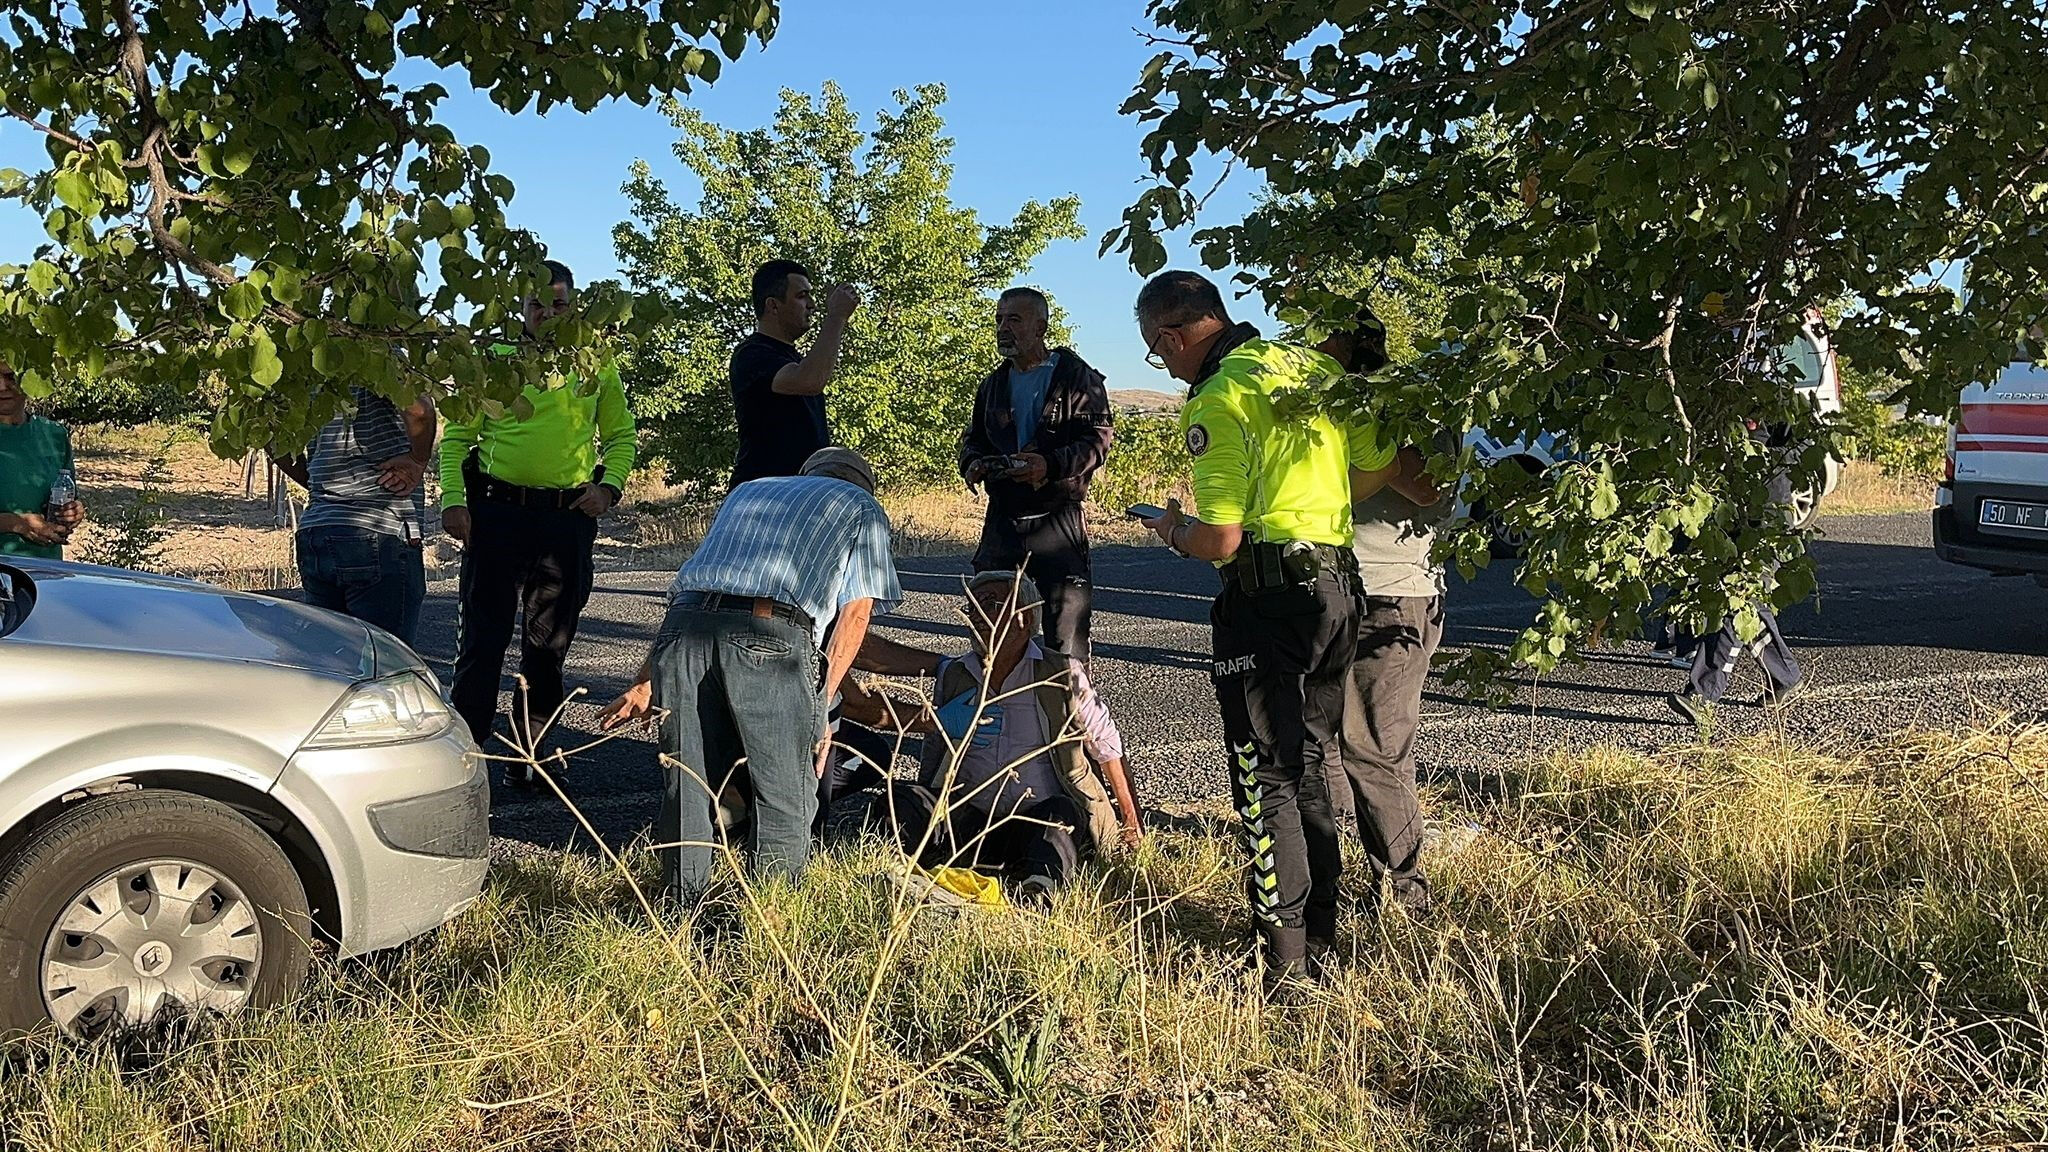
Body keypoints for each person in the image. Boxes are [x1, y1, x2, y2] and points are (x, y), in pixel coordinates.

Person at [1133, 270, 1401, 990]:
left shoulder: (1221, 398)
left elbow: (1220, 539)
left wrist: (1173, 530)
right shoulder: (1311, 366)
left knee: (1265, 779)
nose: (1167, 366)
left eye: (1159, 354)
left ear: (1172, 333)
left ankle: (1281, 964)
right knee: (1311, 763)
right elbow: (1371, 474)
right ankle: (1322, 934)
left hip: (1268, 600)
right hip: (1340, 591)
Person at [599, 448, 902, 902]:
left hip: (683, 631)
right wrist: (821, 705)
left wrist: (646, 680)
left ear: (805, 472)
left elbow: (693, 590)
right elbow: (855, 617)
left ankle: (681, 915)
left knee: (687, 783)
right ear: (863, 483)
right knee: (783, 793)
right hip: (769, 632)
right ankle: (772, 924)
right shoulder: (861, 506)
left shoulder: (750, 490)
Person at [441, 260, 636, 765]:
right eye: (536, 305)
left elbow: (619, 438)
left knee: (547, 650)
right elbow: (458, 437)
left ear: (573, 307)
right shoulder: (496, 358)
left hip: (564, 520)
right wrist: (453, 500)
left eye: (558, 305)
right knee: (483, 644)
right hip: (497, 515)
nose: (547, 314)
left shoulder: (595, 363)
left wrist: (609, 488)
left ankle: (531, 757)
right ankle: (469, 759)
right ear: (520, 307)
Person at [851, 570, 1144, 898]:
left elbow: (1107, 746)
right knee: (900, 800)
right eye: (972, 607)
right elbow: (926, 746)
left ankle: (1040, 893)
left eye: (989, 603)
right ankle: (889, 878)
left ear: (1025, 617)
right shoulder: (955, 675)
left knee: (1060, 814)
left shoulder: (1061, 673)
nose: (976, 614)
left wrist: (1130, 822)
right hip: (968, 821)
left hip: (1034, 820)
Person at [1318, 318, 1447, 922]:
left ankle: (1405, 897)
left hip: (1395, 596)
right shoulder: (1323, 406)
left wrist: (1369, 442)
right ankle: (1337, 871)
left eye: (1325, 339)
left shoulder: (1405, 405)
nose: (1313, 350)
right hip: (1335, 590)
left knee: (1373, 749)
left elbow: (1430, 487)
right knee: (1326, 742)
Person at [959, 287, 1116, 665]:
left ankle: (1071, 721)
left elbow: (1097, 442)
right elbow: (972, 439)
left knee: (1065, 639)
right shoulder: (993, 385)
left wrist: (1049, 465)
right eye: (999, 319)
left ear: (1041, 327)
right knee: (993, 631)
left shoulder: (1077, 378)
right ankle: (1001, 719)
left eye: (1014, 319)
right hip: (1003, 522)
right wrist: (974, 463)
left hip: (1056, 519)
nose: (1002, 328)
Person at [270, 388, 436, 644]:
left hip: (318, 528)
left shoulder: (305, 360)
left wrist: (317, 482)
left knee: (330, 662)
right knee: (385, 663)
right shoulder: (382, 354)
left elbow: (271, 434)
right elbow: (419, 412)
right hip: (379, 526)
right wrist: (418, 459)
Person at [1668, 429, 1806, 721]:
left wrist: (1766, 456)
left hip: (1768, 523)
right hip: (1733, 524)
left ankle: (1703, 695)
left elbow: (1801, 444)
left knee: (1737, 602)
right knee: (1748, 609)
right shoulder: (1720, 406)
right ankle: (1786, 676)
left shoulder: (1778, 403)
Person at [729, 260, 861, 488]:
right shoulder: (752, 354)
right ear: (773, 306)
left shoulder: (793, 359)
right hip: (761, 498)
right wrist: (836, 317)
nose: (812, 305)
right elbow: (810, 380)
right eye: (802, 296)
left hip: (797, 495)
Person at [0, 361, 85, 558]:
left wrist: (72, 512)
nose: (2, 387)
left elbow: (65, 495)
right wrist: (17, 523)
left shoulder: (54, 435)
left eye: (10, 377)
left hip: (44, 570)